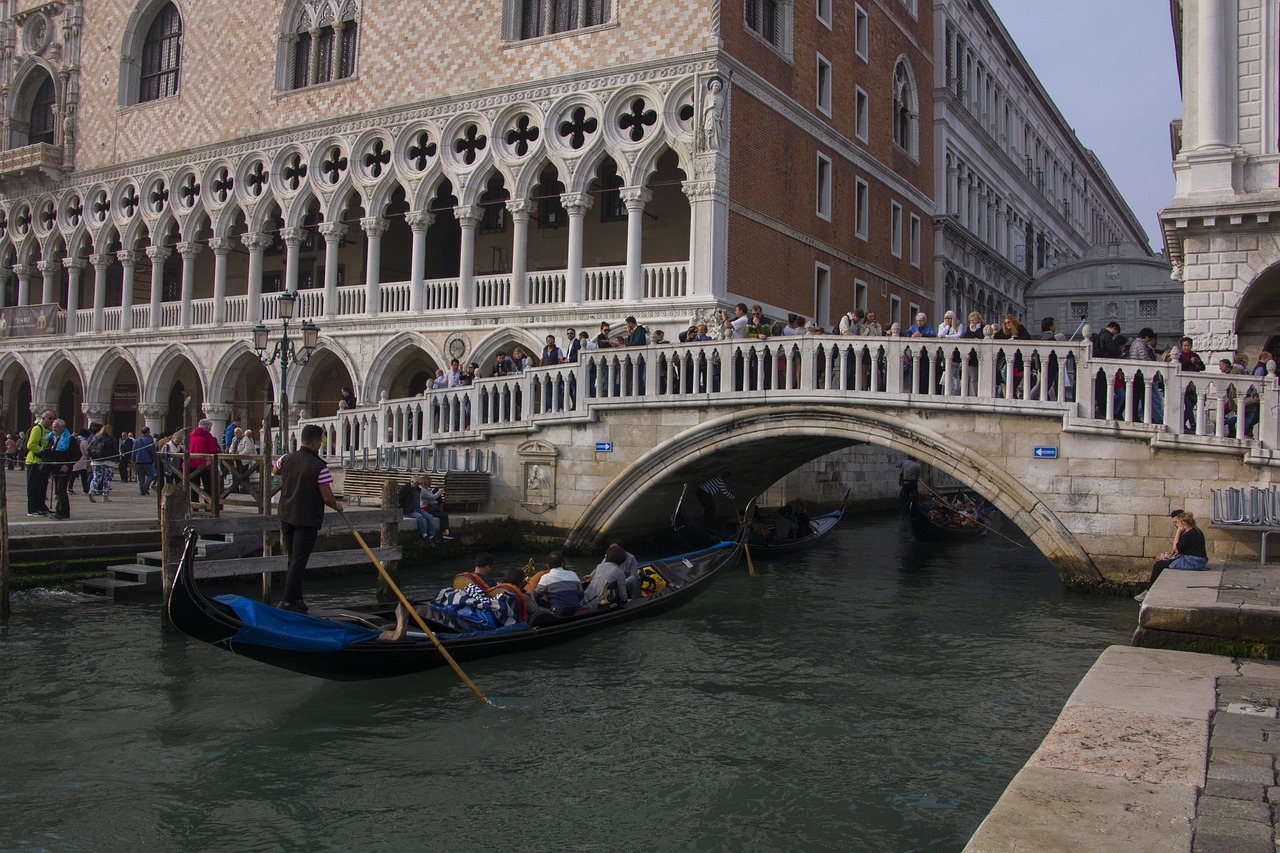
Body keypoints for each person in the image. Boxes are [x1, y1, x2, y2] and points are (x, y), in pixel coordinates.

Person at [274, 423, 342, 613]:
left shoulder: (286, 458)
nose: (320, 444)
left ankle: (297, 599)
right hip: (305, 518)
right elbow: (328, 497)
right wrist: (338, 506)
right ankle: (287, 602)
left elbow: (275, 470)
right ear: (315, 443)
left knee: (293, 559)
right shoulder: (319, 467)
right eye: (320, 441)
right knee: (299, 560)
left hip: (286, 514)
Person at [1140, 511, 1209, 599]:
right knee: (1164, 562)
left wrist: (1179, 531)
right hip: (1195, 559)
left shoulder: (1189, 534)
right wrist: (1167, 556)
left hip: (1194, 561)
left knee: (1158, 566)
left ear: (1183, 523)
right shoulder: (1195, 531)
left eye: (1177, 522)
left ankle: (1149, 591)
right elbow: (1181, 551)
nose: (1175, 525)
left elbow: (1176, 548)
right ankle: (1150, 589)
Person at [44, 419, 79, 520]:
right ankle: (64, 510)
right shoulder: (52, 438)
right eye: (53, 426)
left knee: (61, 489)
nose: (54, 429)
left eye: (56, 427)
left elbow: (77, 454)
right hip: (55, 468)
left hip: (64, 468)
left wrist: (67, 465)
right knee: (58, 490)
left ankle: (61, 512)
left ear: (63, 428)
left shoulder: (70, 439)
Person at [580, 544, 630, 611]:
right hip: (599, 605)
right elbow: (622, 594)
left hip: (586, 600)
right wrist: (626, 600)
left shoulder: (599, 566)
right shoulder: (619, 572)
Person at [25, 410, 54, 517]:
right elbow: (31, 445)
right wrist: (41, 450)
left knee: (42, 486)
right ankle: (32, 509)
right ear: (43, 418)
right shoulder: (38, 429)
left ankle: (41, 507)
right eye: (49, 418)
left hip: (43, 463)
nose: (52, 420)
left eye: (53, 418)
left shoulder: (48, 430)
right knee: (34, 487)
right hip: (34, 462)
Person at [187, 418, 219, 503]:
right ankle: (208, 505)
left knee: (194, 486)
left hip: (192, 463)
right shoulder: (208, 436)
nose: (211, 429)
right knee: (208, 485)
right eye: (210, 427)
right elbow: (213, 450)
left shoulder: (191, 435)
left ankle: (194, 505)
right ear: (207, 427)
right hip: (205, 464)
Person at [87, 424, 118, 502]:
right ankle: (105, 496)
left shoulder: (95, 438)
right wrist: (117, 459)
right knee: (107, 479)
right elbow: (115, 451)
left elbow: (88, 449)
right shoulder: (111, 439)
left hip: (96, 461)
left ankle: (92, 490)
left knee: (96, 477)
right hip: (108, 461)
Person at [399, 477, 437, 541]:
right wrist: (403, 509)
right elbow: (400, 500)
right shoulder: (405, 489)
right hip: (409, 510)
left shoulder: (418, 489)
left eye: (418, 484)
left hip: (418, 508)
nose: (416, 486)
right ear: (411, 481)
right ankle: (424, 534)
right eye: (416, 484)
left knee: (430, 517)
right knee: (419, 517)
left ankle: (432, 535)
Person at [132, 426, 158, 496]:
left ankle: (142, 490)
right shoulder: (150, 440)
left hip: (138, 461)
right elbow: (153, 451)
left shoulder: (137, 440)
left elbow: (134, 451)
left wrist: (134, 460)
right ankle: (144, 487)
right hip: (147, 461)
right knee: (150, 475)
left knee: (141, 476)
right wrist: (155, 459)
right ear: (148, 432)